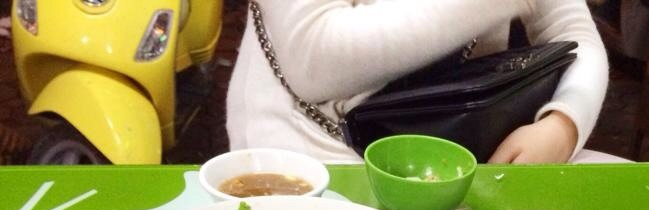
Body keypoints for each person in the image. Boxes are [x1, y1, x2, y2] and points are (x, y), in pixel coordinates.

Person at [226, 0, 609, 164]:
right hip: (307, 156)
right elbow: (312, 59)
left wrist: (563, 125)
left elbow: (573, 32)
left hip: (454, 153)